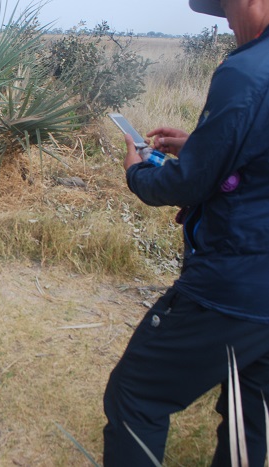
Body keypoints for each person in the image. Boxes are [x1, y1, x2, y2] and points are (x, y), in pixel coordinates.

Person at [103, 0, 269, 465]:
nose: (228, 23)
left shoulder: (248, 71)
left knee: (136, 394)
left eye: (226, 11)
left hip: (235, 284)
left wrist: (137, 173)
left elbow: (188, 184)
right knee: (249, 411)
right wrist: (200, 146)